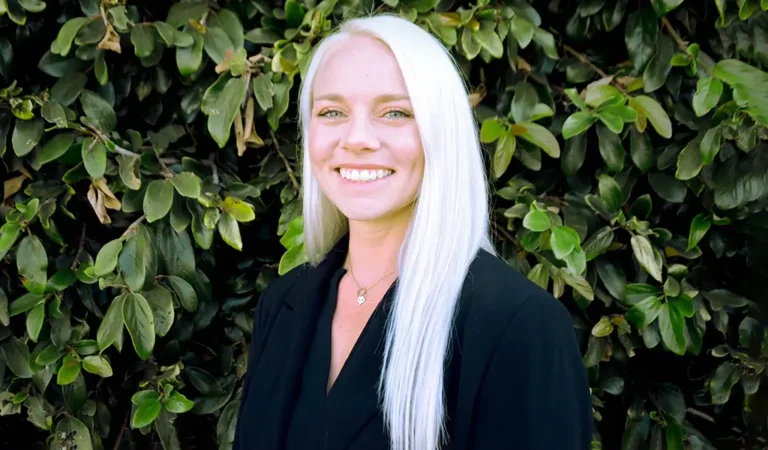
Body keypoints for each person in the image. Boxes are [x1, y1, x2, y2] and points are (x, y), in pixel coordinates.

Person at [233, 13, 592, 450]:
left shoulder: (518, 326)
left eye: (395, 112)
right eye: (332, 111)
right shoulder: (282, 304)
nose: (357, 138)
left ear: (440, 133)